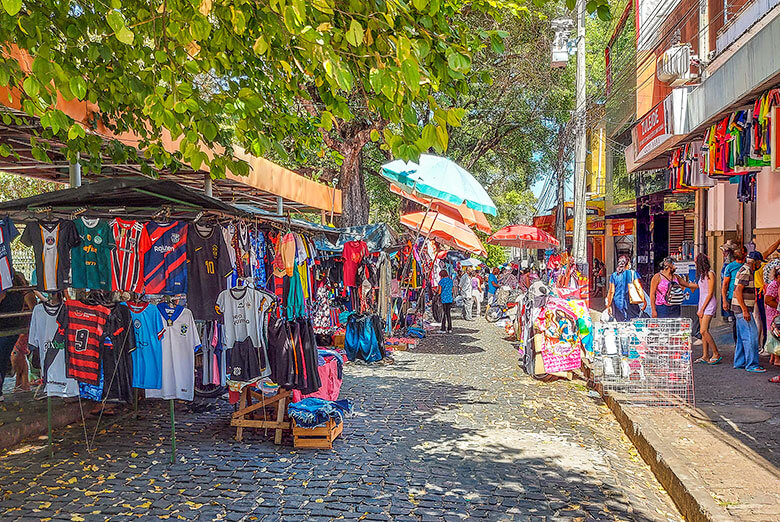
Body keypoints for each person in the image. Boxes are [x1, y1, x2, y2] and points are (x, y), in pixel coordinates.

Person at [0, 272, 35, 401]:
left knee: (15, 355)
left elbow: (32, 305)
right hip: (16, 326)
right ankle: (21, 385)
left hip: (19, 326)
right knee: (14, 356)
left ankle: (23, 385)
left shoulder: (21, 288)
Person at [732, 251, 766, 372]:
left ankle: (739, 362)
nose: (760, 265)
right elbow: (738, 291)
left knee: (742, 337)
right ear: (755, 262)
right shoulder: (746, 271)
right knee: (751, 336)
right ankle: (752, 364)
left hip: (738, 309)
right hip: (743, 310)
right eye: (759, 263)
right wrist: (745, 310)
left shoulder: (744, 269)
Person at [693, 253, 721, 364]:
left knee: (703, 330)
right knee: (705, 331)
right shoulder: (702, 275)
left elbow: (710, 293)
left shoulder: (710, 274)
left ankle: (716, 353)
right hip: (702, 303)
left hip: (708, 304)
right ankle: (705, 355)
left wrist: (702, 309)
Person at [606, 256, 646, 321]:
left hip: (618, 303)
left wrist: (608, 305)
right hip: (631, 303)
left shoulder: (614, 275)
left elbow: (611, 291)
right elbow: (638, 287)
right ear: (628, 264)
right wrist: (644, 302)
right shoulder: (632, 273)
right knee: (632, 322)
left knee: (620, 324)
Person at [721, 242, 743, 343]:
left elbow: (724, 284)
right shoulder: (729, 267)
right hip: (733, 297)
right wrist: (724, 300)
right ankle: (737, 342)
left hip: (742, 297)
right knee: (736, 321)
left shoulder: (745, 266)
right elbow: (724, 284)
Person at [762, 259, 780, 371]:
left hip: (774, 313)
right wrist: (778, 306)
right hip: (774, 313)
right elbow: (768, 300)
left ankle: (773, 358)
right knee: (776, 335)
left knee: (774, 334)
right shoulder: (774, 285)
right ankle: (777, 359)